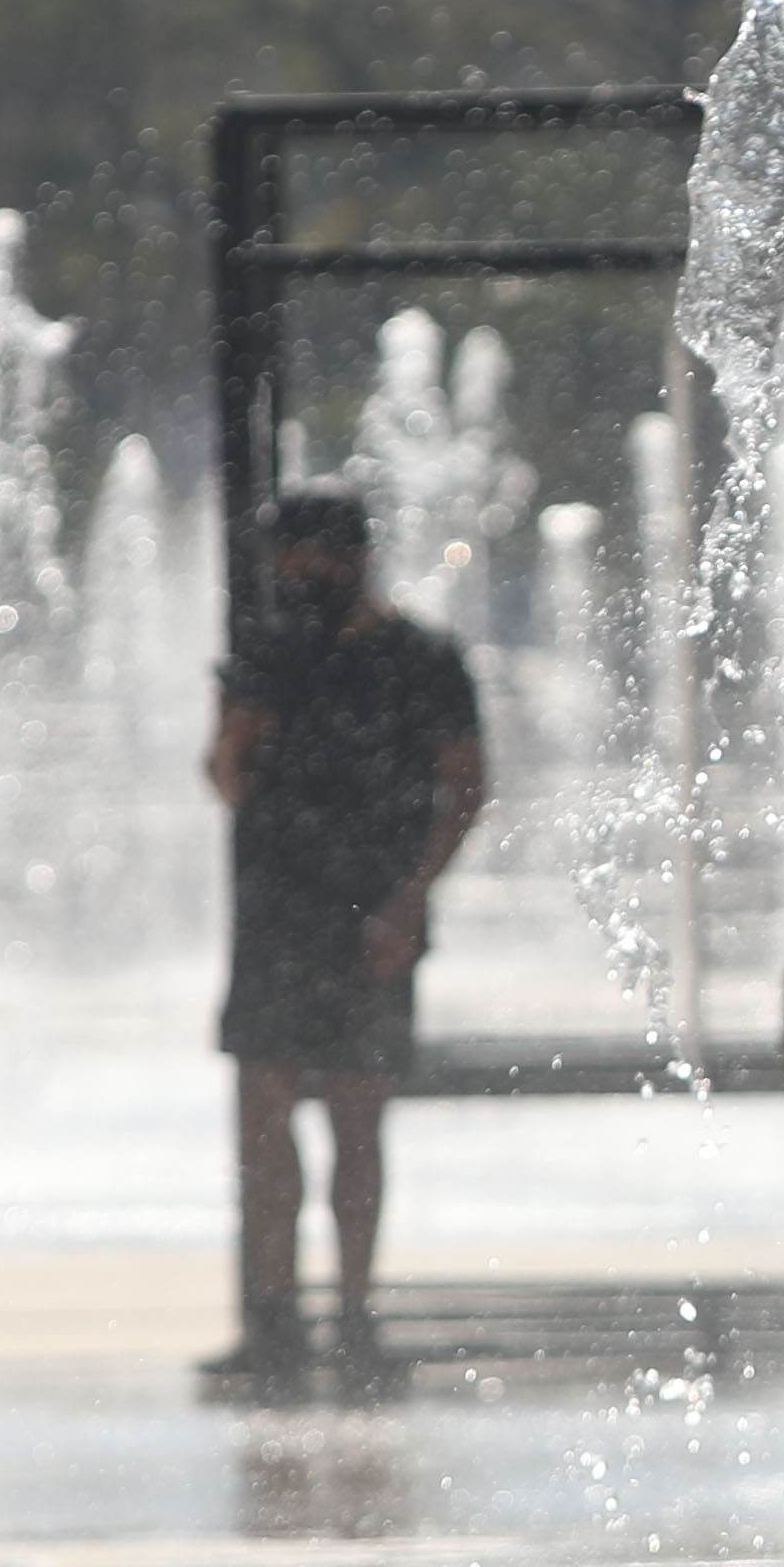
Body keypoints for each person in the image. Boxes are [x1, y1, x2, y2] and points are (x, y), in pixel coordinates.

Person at [205, 485, 487, 1400]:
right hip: (280, 912)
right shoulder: (269, 654)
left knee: (356, 1119)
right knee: (266, 1118)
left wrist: (410, 897)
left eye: (311, 563)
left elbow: (466, 782)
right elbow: (225, 775)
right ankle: (277, 1314)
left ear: (354, 558)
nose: (299, 582)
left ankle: (355, 1313)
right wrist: (243, 723)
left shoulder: (420, 659)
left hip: (371, 912)